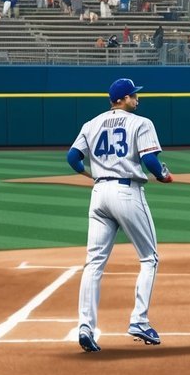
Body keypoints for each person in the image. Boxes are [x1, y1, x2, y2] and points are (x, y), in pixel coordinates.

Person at [65, 78, 173, 351]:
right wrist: (163, 174)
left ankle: (86, 327)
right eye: (134, 95)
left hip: (99, 194)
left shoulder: (91, 124)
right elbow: (150, 161)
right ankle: (139, 320)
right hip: (127, 192)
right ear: (123, 98)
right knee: (149, 258)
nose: (137, 99)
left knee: (93, 264)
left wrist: (89, 174)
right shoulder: (141, 123)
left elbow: (72, 157)